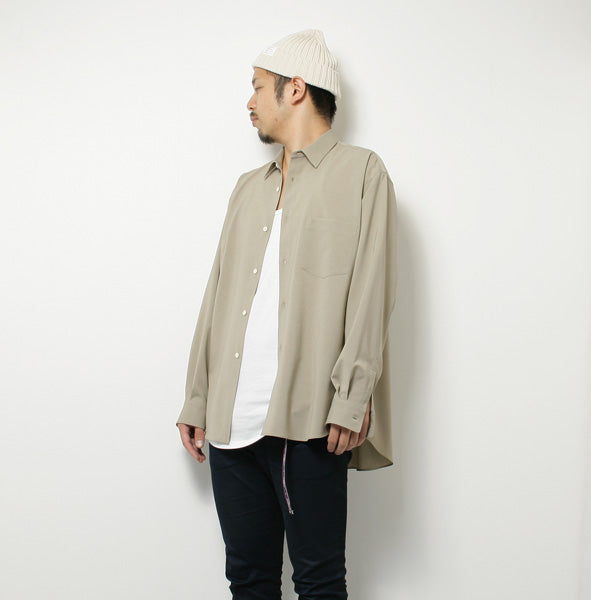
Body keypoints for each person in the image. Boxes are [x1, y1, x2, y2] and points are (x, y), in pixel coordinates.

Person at [176, 29, 399, 600]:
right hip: (229, 423)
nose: (249, 101)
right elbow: (216, 295)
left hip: (308, 421)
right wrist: (198, 397)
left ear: (295, 89)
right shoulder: (247, 188)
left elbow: (372, 292)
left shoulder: (362, 173)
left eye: (257, 86)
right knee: (248, 582)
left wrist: (352, 398)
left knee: (319, 582)